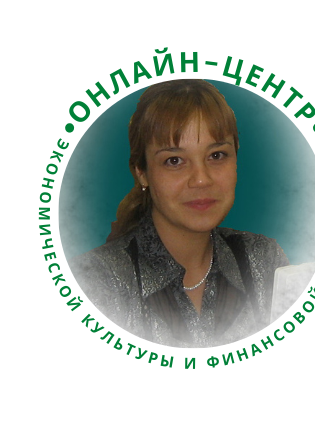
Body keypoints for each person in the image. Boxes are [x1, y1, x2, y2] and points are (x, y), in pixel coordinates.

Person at [69, 79, 289, 347]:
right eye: (174, 161)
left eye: (216, 155)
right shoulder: (92, 282)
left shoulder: (265, 262)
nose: (201, 179)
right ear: (141, 172)